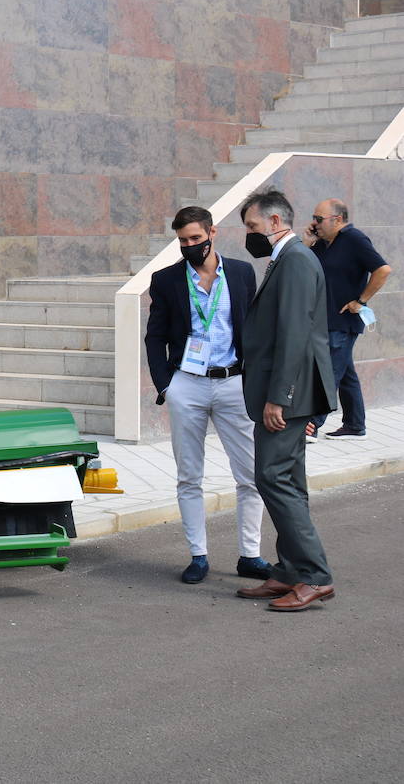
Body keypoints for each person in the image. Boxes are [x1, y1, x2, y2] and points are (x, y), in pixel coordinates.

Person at [145, 207, 270, 584]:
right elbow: (155, 336)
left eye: (195, 239)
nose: (189, 246)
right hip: (188, 384)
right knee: (189, 476)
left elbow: (254, 327)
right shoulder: (165, 280)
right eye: (182, 241)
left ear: (212, 232)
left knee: (250, 476)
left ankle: (250, 555)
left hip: (234, 383)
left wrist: (257, 382)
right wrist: (166, 386)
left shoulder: (242, 273)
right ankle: (198, 556)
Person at [236, 188, 337, 612]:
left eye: (254, 227)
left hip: (287, 396)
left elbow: (295, 334)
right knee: (287, 480)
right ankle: (290, 571)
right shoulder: (289, 258)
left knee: (273, 478)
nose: (251, 235)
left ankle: (314, 576)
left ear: (276, 222)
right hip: (288, 392)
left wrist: (279, 397)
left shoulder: (295, 260)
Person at [301, 198, 391, 441]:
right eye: (314, 218)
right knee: (345, 371)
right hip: (325, 319)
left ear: (337, 220)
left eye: (319, 219)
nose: (314, 223)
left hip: (343, 321)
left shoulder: (355, 239)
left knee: (329, 372)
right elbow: (305, 268)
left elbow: (383, 270)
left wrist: (360, 301)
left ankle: (312, 423)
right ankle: (354, 424)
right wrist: (309, 242)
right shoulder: (323, 243)